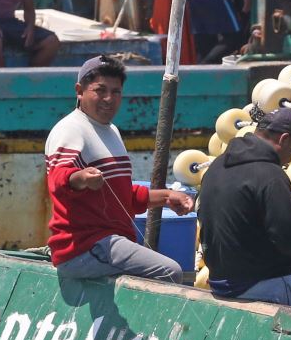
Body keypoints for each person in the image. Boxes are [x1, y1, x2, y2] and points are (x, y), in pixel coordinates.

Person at [45, 55, 193, 283]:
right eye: (100, 90)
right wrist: (81, 177)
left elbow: (122, 197)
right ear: (79, 90)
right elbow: (58, 180)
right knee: (170, 271)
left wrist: (166, 197)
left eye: (116, 92)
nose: (108, 98)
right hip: (84, 248)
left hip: (109, 244)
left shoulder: (111, 130)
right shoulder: (71, 129)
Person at [197, 106, 291, 305]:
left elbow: (236, 209)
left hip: (219, 283)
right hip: (261, 285)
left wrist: (286, 208)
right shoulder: (271, 175)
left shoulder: (217, 166)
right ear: (283, 139)